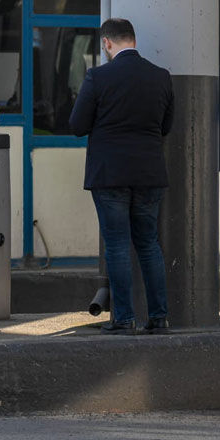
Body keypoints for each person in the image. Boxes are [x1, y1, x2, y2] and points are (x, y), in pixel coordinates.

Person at [68, 18, 173, 335]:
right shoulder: (161, 77)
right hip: (149, 173)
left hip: (110, 173)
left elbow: (77, 125)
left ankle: (124, 319)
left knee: (116, 245)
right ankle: (159, 317)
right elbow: (166, 127)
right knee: (148, 244)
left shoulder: (98, 77)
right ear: (134, 40)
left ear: (106, 43)